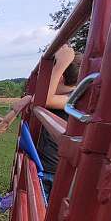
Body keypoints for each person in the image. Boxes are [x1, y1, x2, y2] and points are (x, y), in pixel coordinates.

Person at [38, 44, 82, 196]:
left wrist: (61, 64)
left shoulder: (75, 97)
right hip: (49, 165)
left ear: (60, 77)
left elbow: (44, 100)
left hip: (52, 169)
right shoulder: (68, 96)